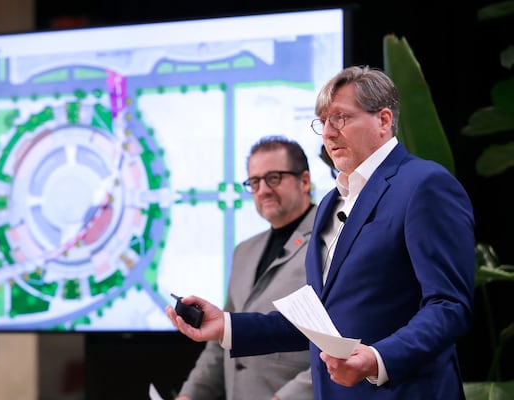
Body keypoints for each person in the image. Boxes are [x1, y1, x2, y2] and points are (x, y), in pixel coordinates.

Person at [166, 65, 476, 400]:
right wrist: (226, 325)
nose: (328, 133)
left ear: (383, 121)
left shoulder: (424, 185)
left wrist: (378, 358)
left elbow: (449, 305)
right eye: (323, 122)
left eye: (340, 118)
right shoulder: (331, 202)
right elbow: (319, 323)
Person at [176, 136, 316, 400]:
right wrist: (190, 395)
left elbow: (339, 338)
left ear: (305, 181)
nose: (262, 189)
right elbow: (220, 342)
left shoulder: (331, 241)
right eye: (254, 182)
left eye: (273, 178)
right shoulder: (244, 251)